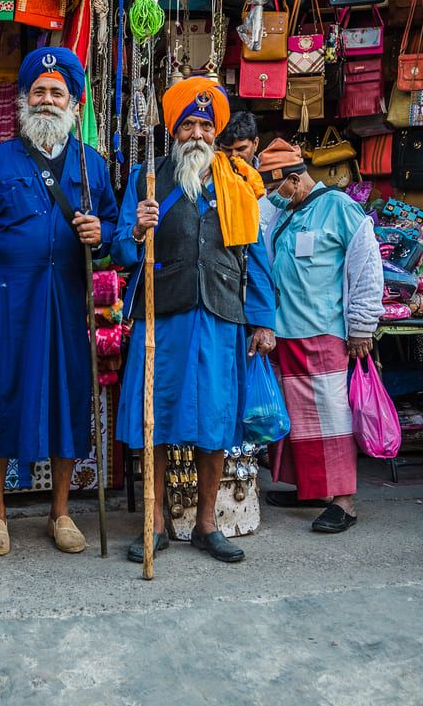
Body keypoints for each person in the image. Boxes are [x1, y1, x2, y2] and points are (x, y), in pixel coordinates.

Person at [0, 46, 119, 556]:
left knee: (69, 399)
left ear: (74, 102)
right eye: (39, 92)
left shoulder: (91, 165)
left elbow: (115, 232)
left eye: (58, 93)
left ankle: (62, 512)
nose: (48, 100)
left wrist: (104, 232)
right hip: (8, 299)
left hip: (69, 299)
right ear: (25, 101)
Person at [113, 76, 277, 563]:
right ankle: (156, 523)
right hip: (162, 316)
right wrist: (138, 228)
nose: (199, 135)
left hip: (221, 315)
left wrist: (262, 321)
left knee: (216, 422)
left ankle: (207, 525)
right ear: (174, 132)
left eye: (206, 126)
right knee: (155, 420)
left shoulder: (239, 183)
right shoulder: (148, 178)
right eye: (189, 127)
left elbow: (256, 258)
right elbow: (120, 247)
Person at [257, 138, 384, 534]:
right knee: (297, 420)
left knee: (330, 419)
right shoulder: (286, 213)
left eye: (272, 188)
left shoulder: (341, 208)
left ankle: (344, 501)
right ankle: (310, 488)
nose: (269, 197)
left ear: (294, 180)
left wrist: (363, 325)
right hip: (286, 333)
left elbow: (367, 265)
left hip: (324, 332)